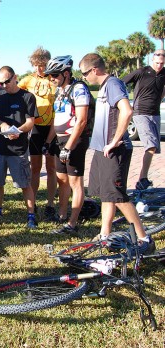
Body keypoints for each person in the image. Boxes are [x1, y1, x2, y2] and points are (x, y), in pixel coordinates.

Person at [79, 53, 155, 253]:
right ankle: (105, 235)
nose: (85, 78)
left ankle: (144, 239)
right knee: (107, 195)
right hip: (102, 150)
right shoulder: (105, 87)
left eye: (85, 73)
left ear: (94, 70)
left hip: (115, 150)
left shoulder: (113, 84)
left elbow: (127, 110)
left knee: (119, 196)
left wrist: (114, 140)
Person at [43, 56, 91, 234]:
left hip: (75, 140)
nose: (52, 79)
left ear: (66, 73)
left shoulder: (78, 89)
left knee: (75, 182)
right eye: (49, 76)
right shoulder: (59, 91)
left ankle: (73, 223)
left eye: (54, 75)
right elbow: (58, 118)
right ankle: (62, 216)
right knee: (61, 180)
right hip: (59, 140)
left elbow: (82, 120)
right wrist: (48, 141)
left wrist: (69, 147)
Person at [0, 66, 38, 228]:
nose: (4, 85)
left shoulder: (27, 97)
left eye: (6, 82)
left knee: (24, 184)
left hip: (18, 150)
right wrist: (2, 125)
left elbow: (31, 122)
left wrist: (18, 131)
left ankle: (31, 215)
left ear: (15, 77)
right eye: (0, 82)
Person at [18, 47, 57, 221]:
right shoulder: (27, 80)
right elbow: (13, 92)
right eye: (35, 65)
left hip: (52, 127)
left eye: (41, 65)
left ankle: (50, 203)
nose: (38, 69)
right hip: (35, 127)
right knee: (35, 168)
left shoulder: (54, 80)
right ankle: (32, 204)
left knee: (51, 168)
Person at [122, 49, 165, 190]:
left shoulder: (164, 74)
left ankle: (143, 178)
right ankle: (142, 179)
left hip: (155, 114)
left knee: (153, 148)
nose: (159, 65)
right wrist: (124, 103)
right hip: (140, 112)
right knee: (151, 145)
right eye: (157, 63)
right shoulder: (141, 72)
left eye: (162, 63)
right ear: (152, 60)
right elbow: (121, 83)